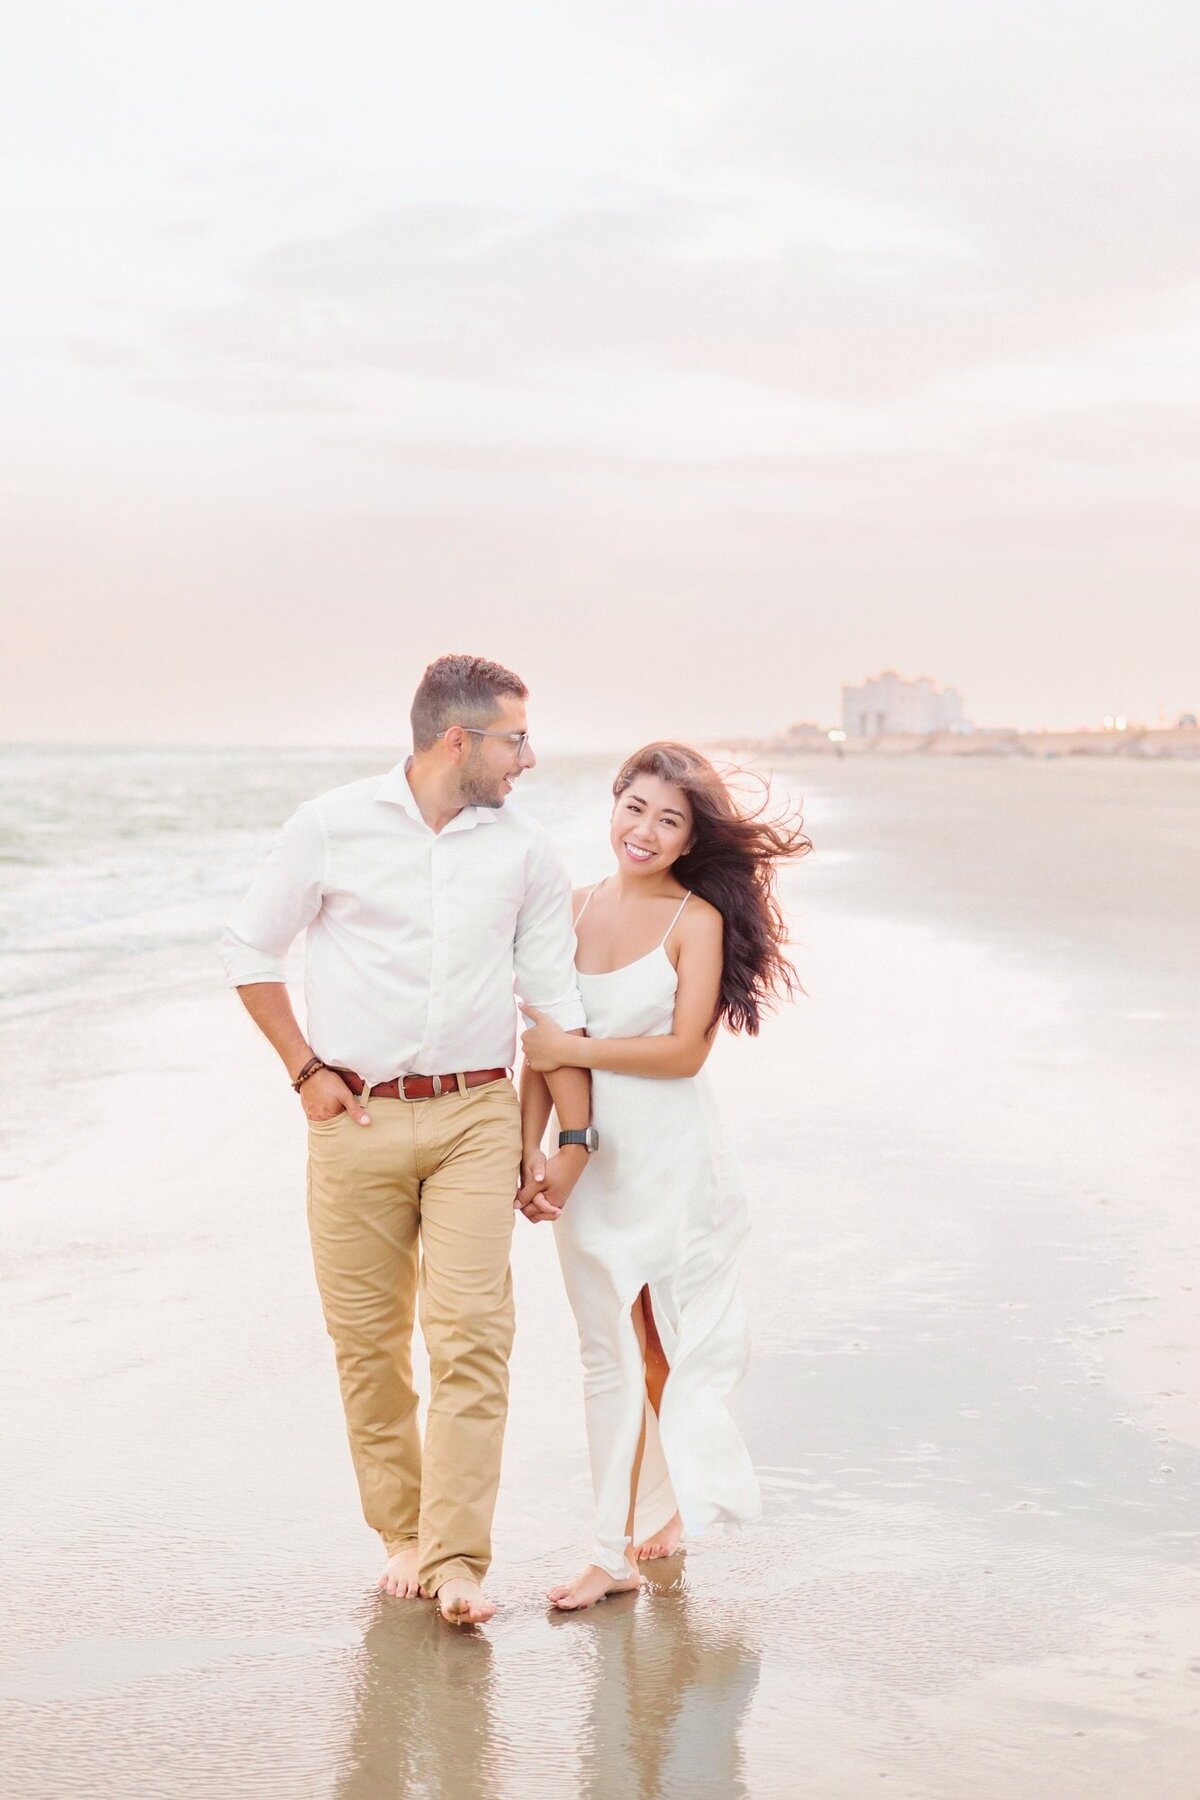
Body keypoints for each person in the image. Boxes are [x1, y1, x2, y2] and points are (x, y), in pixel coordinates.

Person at [219, 654, 591, 1626]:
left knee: (474, 1338)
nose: (531, 757)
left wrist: (567, 1135)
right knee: (368, 1343)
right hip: (356, 1120)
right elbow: (249, 948)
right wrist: (305, 1070)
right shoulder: (331, 826)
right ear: (457, 739)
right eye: (516, 737)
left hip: (476, 1115)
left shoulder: (525, 852)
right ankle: (404, 1535)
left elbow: (554, 1007)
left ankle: (460, 1557)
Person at [517, 741, 811, 1610]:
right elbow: (536, 1049)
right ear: (613, 806)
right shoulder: (566, 911)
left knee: (663, 1343)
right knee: (610, 1353)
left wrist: (575, 1048)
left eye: (669, 821)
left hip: (674, 1164)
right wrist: (527, 1150)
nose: (644, 831)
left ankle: (636, 1528)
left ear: (691, 840)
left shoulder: (696, 922)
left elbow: (685, 1053)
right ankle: (629, 1535)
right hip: (591, 1169)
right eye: (635, 808)